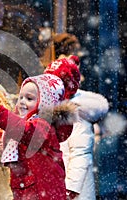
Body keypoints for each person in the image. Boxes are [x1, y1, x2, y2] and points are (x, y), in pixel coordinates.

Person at [0, 59, 79, 199]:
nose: (22, 101)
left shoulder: (43, 126)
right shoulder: (29, 122)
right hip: (29, 187)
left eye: (29, 98)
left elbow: (23, 131)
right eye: (21, 97)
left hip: (42, 190)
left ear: (45, 103)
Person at [44, 55, 109, 200]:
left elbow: (81, 153)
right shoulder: (58, 109)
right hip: (59, 182)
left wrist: (70, 188)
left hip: (74, 190)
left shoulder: (76, 113)